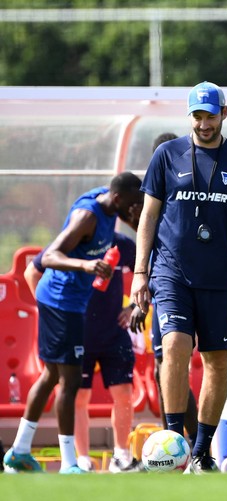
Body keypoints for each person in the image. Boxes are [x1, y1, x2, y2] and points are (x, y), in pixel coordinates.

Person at [131, 81, 227, 474]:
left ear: (224, 113)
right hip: (171, 272)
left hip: (220, 278)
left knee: (217, 362)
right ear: (189, 116)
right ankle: (174, 442)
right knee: (174, 345)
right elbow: (148, 217)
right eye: (197, 116)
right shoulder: (166, 154)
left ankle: (203, 451)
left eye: (210, 115)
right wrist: (141, 272)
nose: (204, 124)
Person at [2, 172, 143, 474]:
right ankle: (70, 463)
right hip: (62, 302)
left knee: (52, 377)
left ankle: (19, 451)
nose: (134, 211)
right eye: (132, 206)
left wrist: (136, 218)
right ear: (117, 199)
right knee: (70, 383)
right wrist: (86, 265)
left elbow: (139, 231)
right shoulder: (88, 216)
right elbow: (48, 256)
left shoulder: (111, 207)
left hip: (70, 305)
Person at [24, 233, 143, 473]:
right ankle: (82, 459)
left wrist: (134, 306)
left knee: (124, 393)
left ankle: (121, 457)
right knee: (77, 397)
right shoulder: (70, 241)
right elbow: (32, 272)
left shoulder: (123, 244)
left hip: (114, 332)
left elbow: (148, 272)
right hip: (77, 332)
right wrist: (51, 312)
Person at [130, 132, 199, 449]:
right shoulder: (151, 197)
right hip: (160, 288)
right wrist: (140, 298)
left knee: (172, 366)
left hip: (184, 287)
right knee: (166, 367)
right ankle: (173, 448)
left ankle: (192, 445)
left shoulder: (189, 192)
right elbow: (146, 246)